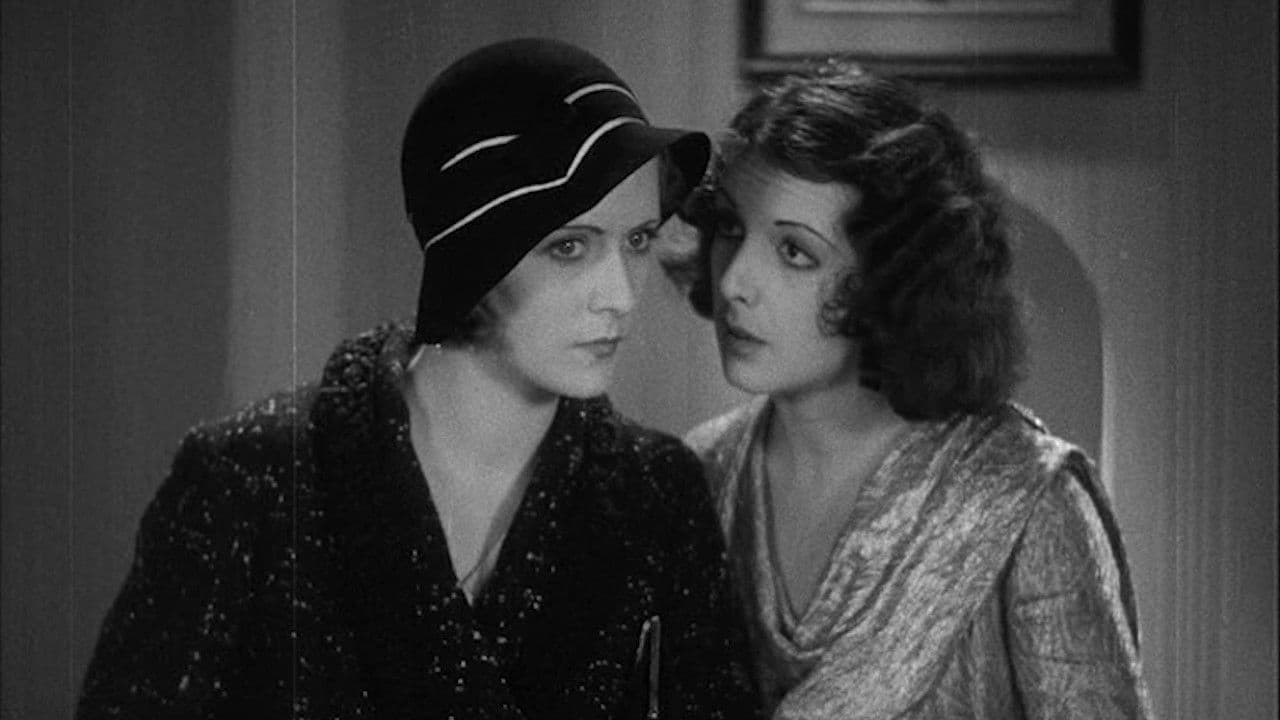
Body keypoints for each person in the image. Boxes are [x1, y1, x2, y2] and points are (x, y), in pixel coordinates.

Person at [79, 39, 758, 719]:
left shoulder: (657, 495)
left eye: (637, 241)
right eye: (570, 247)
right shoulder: (251, 477)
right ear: (472, 248)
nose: (620, 295)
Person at [679, 63, 1151, 719]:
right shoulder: (698, 475)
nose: (734, 282)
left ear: (893, 278)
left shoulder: (1024, 502)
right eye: (731, 229)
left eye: (794, 253)